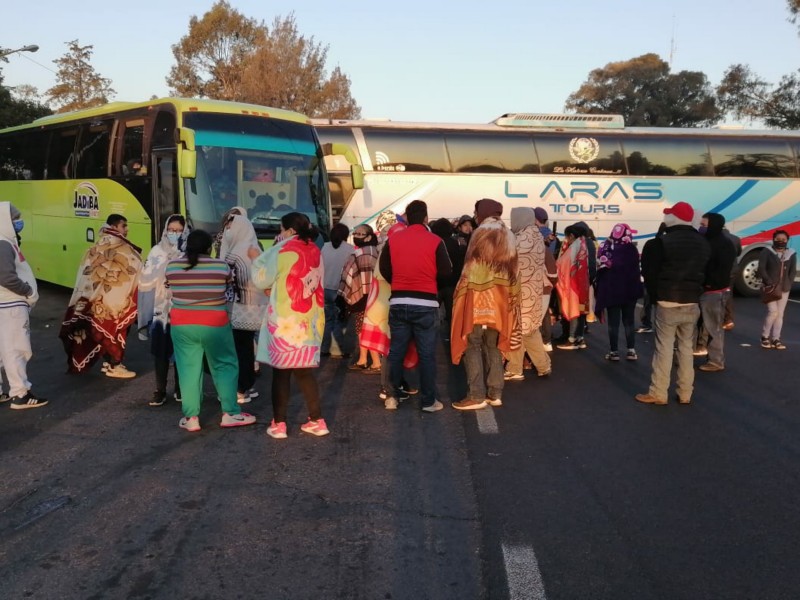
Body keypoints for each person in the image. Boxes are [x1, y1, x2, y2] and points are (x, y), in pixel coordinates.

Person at [165, 230, 256, 432]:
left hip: (182, 325)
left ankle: (191, 418)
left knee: (188, 370)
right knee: (224, 365)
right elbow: (229, 287)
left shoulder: (172, 267)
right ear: (209, 247)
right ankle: (230, 413)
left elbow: (169, 287)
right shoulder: (221, 266)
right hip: (215, 323)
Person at [252, 212, 329, 438]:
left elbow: (261, 278)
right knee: (304, 373)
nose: (280, 233)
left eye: (281, 229)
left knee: (281, 373)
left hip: (285, 320)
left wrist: (257, 256)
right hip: (308, 320)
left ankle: (279, 424)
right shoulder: (315, 249)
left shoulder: (282, 249)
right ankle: (317, 420)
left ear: (289, 231)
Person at [380, 199, 452, 412]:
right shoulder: (435, 240)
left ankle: (392, 396)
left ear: (408, 218)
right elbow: (446, 270)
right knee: (427, 354)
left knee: (396, 352)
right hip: (426, 302)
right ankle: (429, 401)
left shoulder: (393, 240)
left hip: (399, 300)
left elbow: (385, 268)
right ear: (426, 218)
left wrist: (399, 281)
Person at [636, 201, 710, 405]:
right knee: (686, 349)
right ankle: (686, 393)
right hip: (692, 302)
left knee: (664, 349)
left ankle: (659, 392)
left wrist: (655, 295)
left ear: (673, 218)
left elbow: (649, 274)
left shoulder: (659, 243)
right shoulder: (703, 243)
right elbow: (707, 273)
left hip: (667, 301)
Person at [450, 198, 518, 410]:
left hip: (478, 298)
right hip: (500, 300)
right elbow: (514, 270)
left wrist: (459, 294)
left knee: (472, 342)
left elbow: (470, 267)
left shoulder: (480, 232)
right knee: (494, 344)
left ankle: (476, 395)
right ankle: (495, 393)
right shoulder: (509, 234)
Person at [60, 213, 142, 378]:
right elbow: (135, 267)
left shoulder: (95, 247)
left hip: (94, 299)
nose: (126, 229)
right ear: (114, 227)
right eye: (123, 226)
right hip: (114, 301)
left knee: (102, 330)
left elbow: (85, 274)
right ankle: (115, 365)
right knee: (115, 330)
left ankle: (109, 362)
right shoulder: (121, 247)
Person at [0, 202, 47, 409]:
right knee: (15, 349)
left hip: (5, 304)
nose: (18, 222)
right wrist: (28, 290)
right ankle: (20, 394)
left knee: (3, 350)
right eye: (15, 218)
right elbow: (6, 277)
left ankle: (4, 393)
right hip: (10, 305)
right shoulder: (3, 244)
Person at [138, 214, 187, 406]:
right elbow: (145, 278)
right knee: (160, 352)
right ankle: (160, 390)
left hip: (181, 309)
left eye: (179, 230)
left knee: (182, 352)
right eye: (171, 230)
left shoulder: (187, 251)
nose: (175, 234)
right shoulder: (156, 251)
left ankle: (180, 388)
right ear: (166, 230)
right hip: (160, 311)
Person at [220, 213, 267, 403]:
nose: (228, 231)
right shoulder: (254, 249)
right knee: (246, 349)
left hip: (237, 308)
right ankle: (245, 387)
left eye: (230, 227)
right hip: (253, 307)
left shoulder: (234, 253)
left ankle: (241, 388)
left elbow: (229, 281)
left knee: (238, 349)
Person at [504, 207, 551, 380]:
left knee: (516, 330)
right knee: (530, 331)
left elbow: (506, 261)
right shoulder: (538, 236)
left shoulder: (519, 239)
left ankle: (515, 368)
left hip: (520, 292)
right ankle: (543, 365)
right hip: (534, 291)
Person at [593, 223, 643, 361]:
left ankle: (614, 351)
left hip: (612, 290)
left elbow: (600, 268)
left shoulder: (606, 247)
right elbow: (635, 271)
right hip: (629, 291)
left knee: (613, 322)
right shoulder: (632, 249)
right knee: (629, 321)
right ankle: (631, 350)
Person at [695, 213, 737, 372]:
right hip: (709, 289)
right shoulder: (712, 241)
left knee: (714, 328)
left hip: (713, 290)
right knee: (708, 326)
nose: (701, 227)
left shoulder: (721, 244)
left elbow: (721, 269)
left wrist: (707, 282)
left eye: (704, 224)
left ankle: (716, 361)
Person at [338, 224, 381, 372]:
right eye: (355, 233)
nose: (356, 236)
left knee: (363, 328)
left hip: (361, 296)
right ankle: (363, 359)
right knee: (368, 327)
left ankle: (375, 362)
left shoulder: (358, 254)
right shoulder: (378, 251)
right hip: (377, 296)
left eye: (360, 234)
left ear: (369, 237)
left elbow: (348, 276)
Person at [758, 230, 797, 350]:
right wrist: (768, 282)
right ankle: (765, 336)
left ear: (787, 241)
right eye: (778, 239)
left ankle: (776, 338)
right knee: (773, 312)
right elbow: (761, 268)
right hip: (770, 288)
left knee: (780, 314)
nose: (781, 241)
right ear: (773, 239)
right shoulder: (766, 251)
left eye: (784, 240)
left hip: (784, 288)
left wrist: (789, 284)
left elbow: (792, 271)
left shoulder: (791, 253)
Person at [555, 224, 591, 350]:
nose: (567, 240)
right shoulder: (585, 244)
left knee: (574, 310)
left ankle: (571, 339)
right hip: (583, 284)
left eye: (567, 237)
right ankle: (579, 338)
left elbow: (561, 263)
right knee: (580, 312)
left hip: (574, 285)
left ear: (571, 235)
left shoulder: (575, 246)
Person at [320, 223, 353, 358]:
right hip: (340, 290)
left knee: (327, 319)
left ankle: (324, 348)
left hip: (324, 289)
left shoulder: (324, 247)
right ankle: (339, 349)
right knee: (341, 320)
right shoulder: (350, 249)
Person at [636, 223, 667, 334]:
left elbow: (644, 261)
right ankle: (662, 327)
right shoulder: (673, 244)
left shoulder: (651, 243)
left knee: (647, 304)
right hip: (666, 281)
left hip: (650, 279)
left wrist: (645, 274)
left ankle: (646, 324)